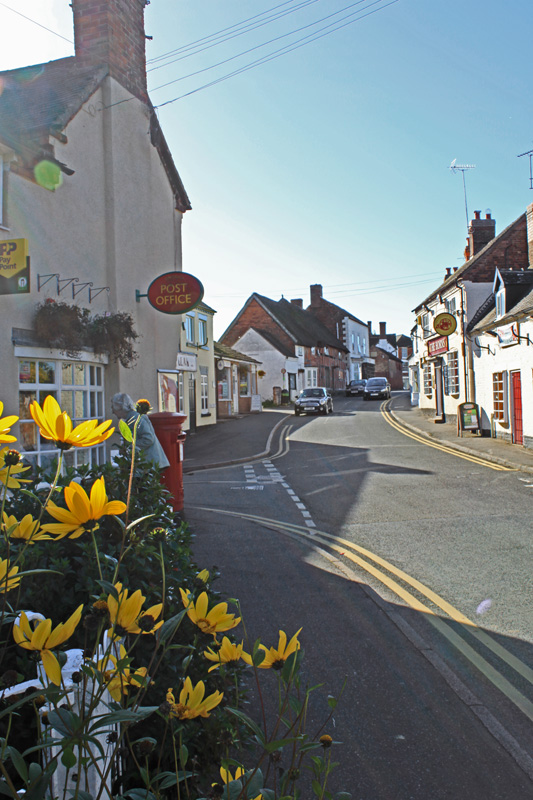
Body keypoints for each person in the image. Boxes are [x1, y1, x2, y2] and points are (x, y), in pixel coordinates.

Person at [110, 393, 170, 470]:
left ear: (120, 407)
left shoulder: (135, 419)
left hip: (149, 465)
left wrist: (129, 448)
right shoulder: (132, 418)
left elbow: (148, 439)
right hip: (149, 465)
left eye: (113, 408)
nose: (112, 412)